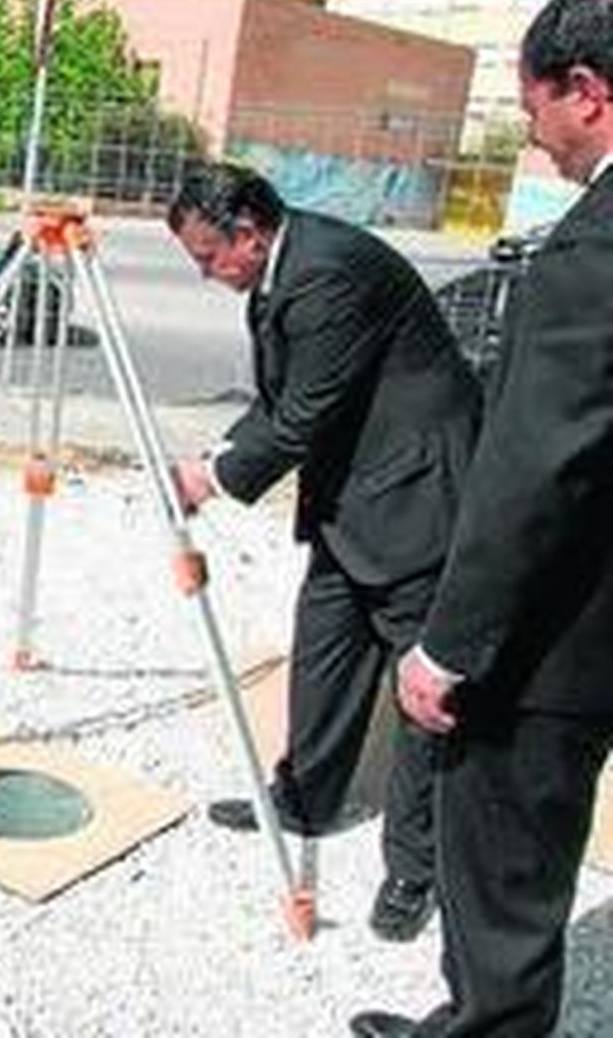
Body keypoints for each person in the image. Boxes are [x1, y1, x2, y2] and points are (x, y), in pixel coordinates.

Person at [351, 0, 613, 1038]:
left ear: (585, 91)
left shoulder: (594, 255)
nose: (537, 136)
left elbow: (537, 469)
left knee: (502, 881)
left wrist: (446, 647)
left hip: (557, 642)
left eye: (534, 107)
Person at [166, 162, 481, 942]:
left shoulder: (327, 274)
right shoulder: (281, 270)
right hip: (352, 500)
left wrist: (209, 477)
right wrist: (220, 450)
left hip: (415, 500)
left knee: (420, 698)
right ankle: (304, 796)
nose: (207, 275)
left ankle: (415, 866)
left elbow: (303, 413)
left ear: (248, 231)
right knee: (325, 655)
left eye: (209, 257)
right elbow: (279, 400)